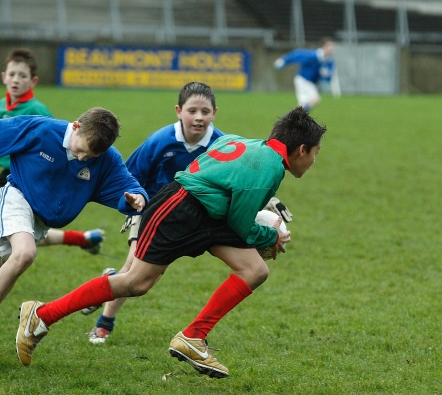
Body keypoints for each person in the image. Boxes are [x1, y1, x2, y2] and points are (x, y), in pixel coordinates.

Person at [15, 106, 326, 379]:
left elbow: (222, 149)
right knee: (135, 283)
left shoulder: (249, 144)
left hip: (206, 215)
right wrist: (271, 235)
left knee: (255, 270)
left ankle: (193, 337)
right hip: (179, 211)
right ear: (301, 149)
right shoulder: (269, 167)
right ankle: (41, 315)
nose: (314, 160)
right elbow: (242, 225)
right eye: (316, 152)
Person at [83, 82, 295, 345]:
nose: (198, 117)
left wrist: (272, 201)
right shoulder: (160, 141)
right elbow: (129, 172)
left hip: (195, 215)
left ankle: (107, 284)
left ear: (214, 113)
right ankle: (104, 324)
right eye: (192, 110)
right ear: (178, 111)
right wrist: (131, 201)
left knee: (145, 277)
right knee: (133, 271)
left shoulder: (221, 141)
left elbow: (244, 178)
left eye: (205, 111)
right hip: (153, 209)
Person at [0, 107, 148, 306]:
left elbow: (130, 187)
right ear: (76, 126)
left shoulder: (106, 158)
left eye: (90, 157)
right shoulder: (43, 129)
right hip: (17, 198)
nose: (81, 159)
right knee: (24, 254)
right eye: (80, 150)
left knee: (10, 264)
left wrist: (138, 199)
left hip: (40, 223)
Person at [0, 48, 105, 254]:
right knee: (18, 234)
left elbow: (58, 143)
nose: (16, 80)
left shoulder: (37, 111)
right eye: (12, 74)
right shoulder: (3, 105)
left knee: (18, 235)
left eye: (23, 76)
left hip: (20, 179)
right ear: (4, 77)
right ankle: (83, 239)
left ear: (33, 82)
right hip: (6, 176)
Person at [274, 37, 341, 112]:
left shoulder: (329, 60)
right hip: (303, 79)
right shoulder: (314, 55)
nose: (332, 48)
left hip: (310, 82)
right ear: (324, 47)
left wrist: (326, 74)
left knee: (304, 104)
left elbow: (330, 75)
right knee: (315, 99)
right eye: (330, 46)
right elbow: (297, 54)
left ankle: (294, 118)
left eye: (333, 46)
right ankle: (294, 117)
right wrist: (283, 60)